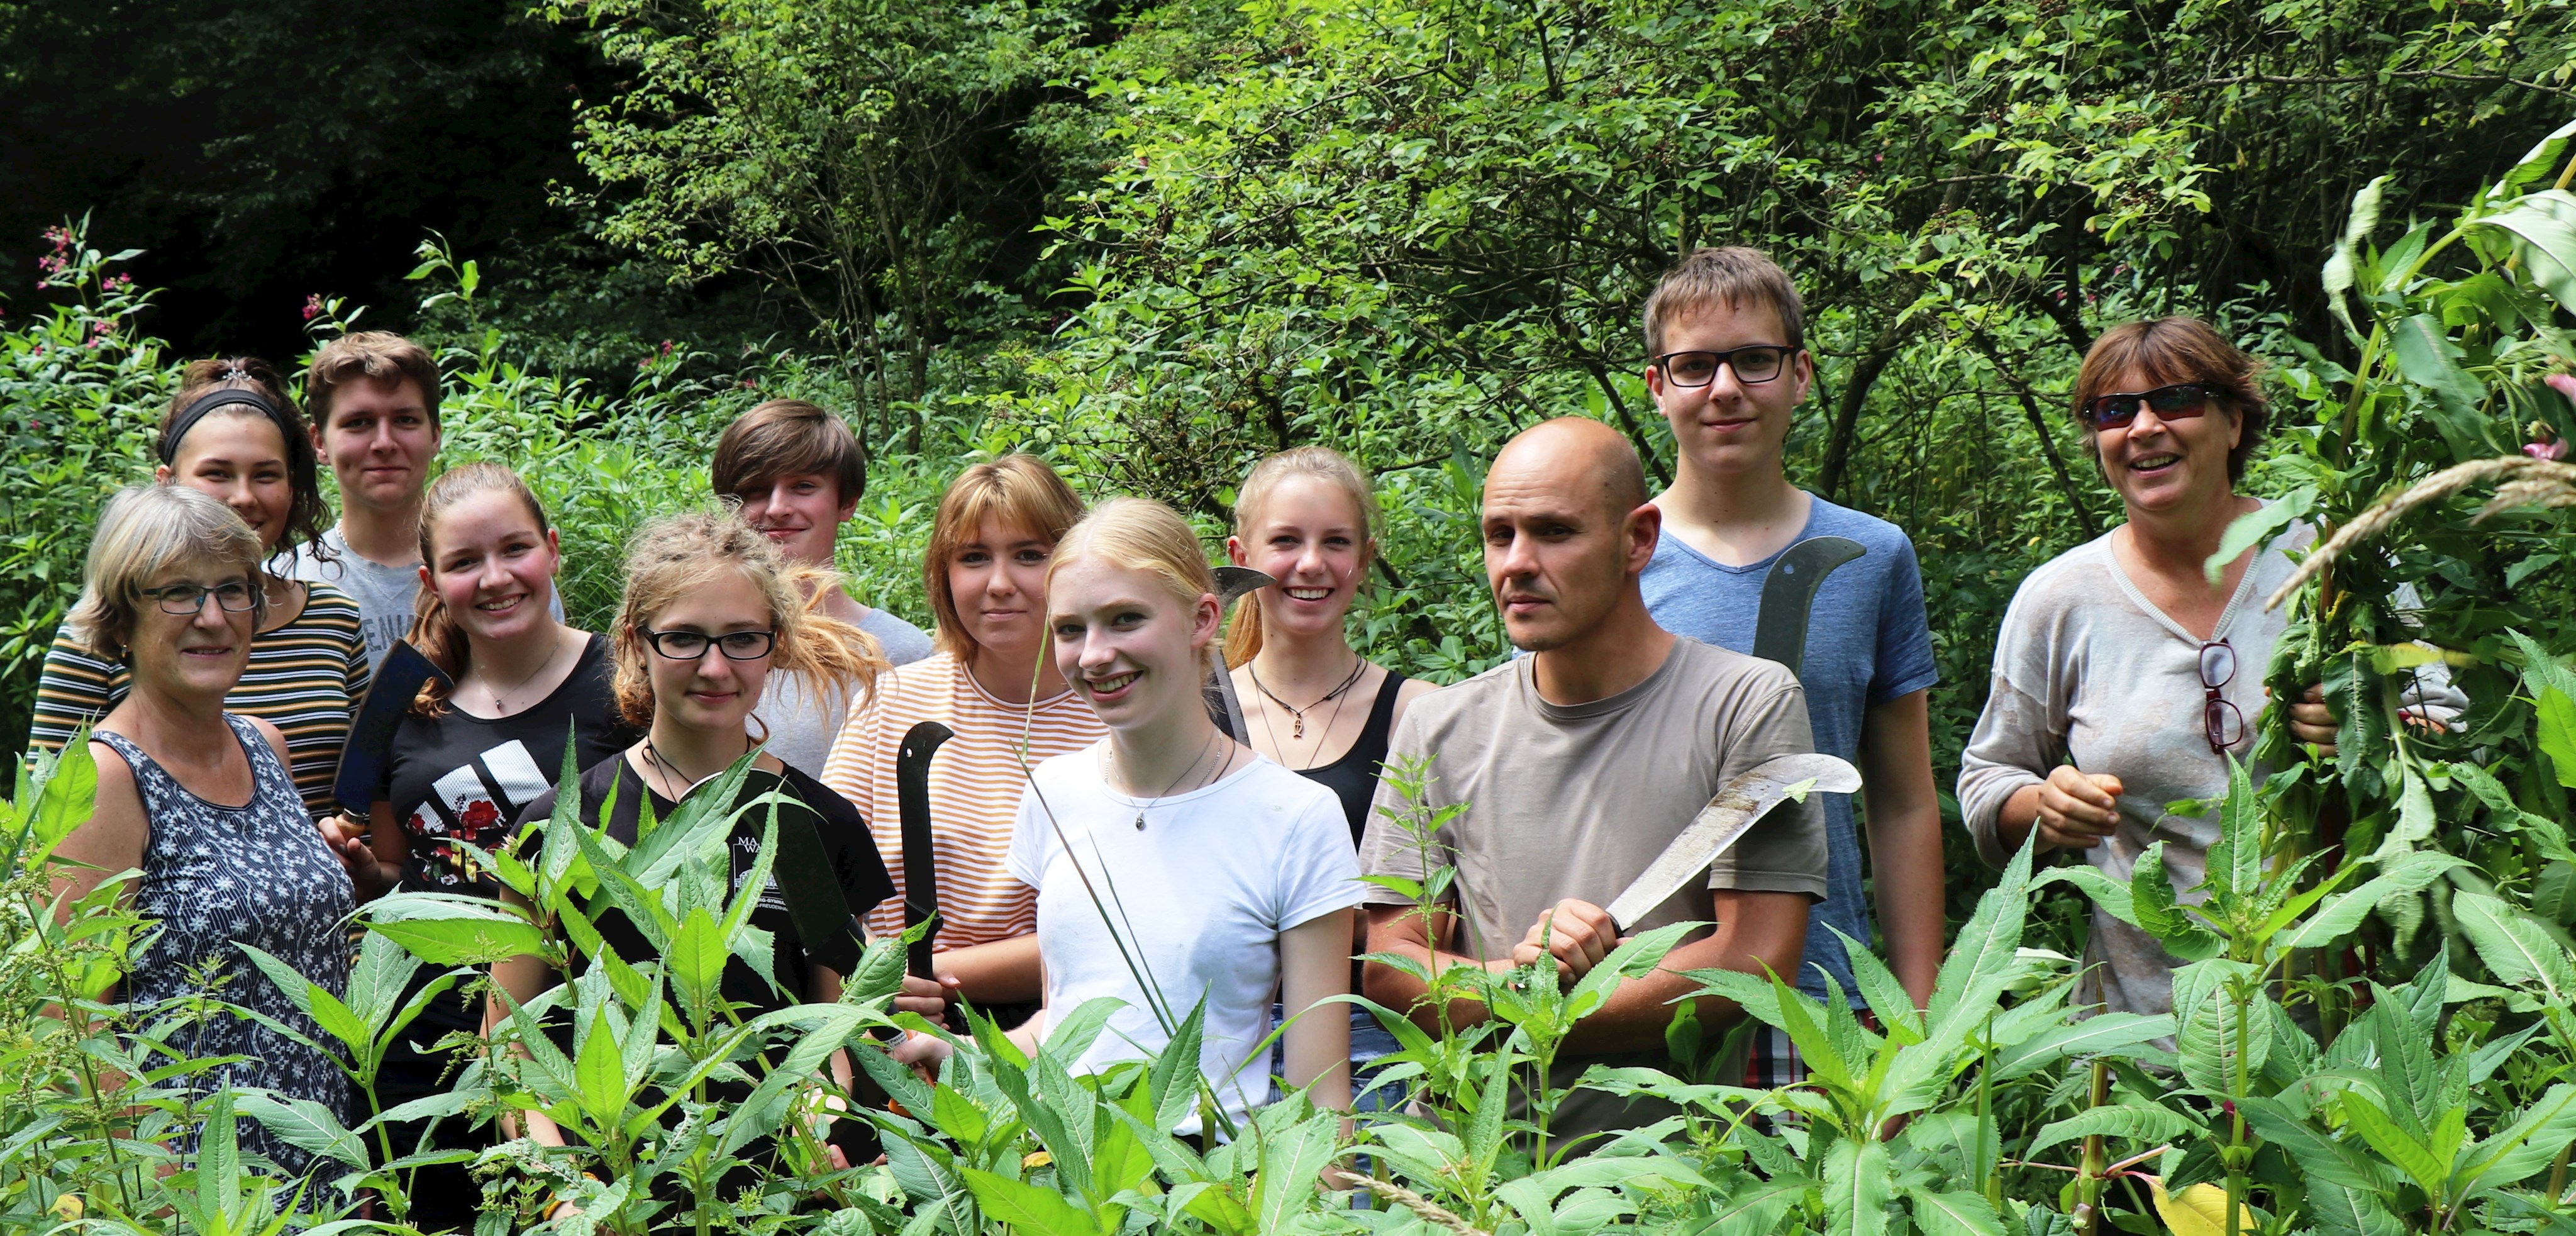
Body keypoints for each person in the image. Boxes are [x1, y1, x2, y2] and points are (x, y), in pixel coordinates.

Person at [1958, 318, 2462, 1017]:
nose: (2141, 427)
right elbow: (1987, 779)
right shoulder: (2060, 600)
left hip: (2349, 1024)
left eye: (2175, 401)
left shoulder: (2336, 561)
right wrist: (2043, 808)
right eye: (2113, 411)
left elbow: (2445, 728)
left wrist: (2369, 726)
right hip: (2142, 1045)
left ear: (2233, 422)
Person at [1358, 417, 1827, 1146]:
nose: (1516, 563)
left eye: (1553, 532)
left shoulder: (1744, 704)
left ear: (1638, 539)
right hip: (1471, 1180)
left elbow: (1755, 962)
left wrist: (1555, 1004)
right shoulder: (1439, 730)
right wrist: (1523, 989)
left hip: (1675, 1185)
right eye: (1498, 534)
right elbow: (1391, 967)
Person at [494, 511, 929, 1189]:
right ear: (637, 643)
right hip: (611, 1194)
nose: (716, 666)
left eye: (742, 639)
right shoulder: (559, 826)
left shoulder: (809, 822)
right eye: (685, 639)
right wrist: (562, 1198)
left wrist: (824, 1115)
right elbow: (511, 1042)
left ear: (774, 644)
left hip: (774, 1191)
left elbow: (834, 1030)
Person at [902, 498, 1357, 1135]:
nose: (1093, 655)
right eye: (1070, 629)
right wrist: (966, 1055)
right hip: (1063, 1175)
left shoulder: (1296, 817)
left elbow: (1320, 1101)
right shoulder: (1055, 794)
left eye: (1124, 620)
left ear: (1202, 618)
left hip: (1212, 1186)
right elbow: (1067, 1026)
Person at [1635, 247, 1945, 1086]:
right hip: (1642, 1000)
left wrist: (1917, 1015)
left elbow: (1906, 801)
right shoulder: (1607, 563)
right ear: (1656, 385)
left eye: (1755, 359)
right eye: (1694, 366)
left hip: (1828, 1001)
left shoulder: (1873, 557)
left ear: (1801, 374)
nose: (1725, 388)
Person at [342, 464, 634, 1232]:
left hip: (587, 1036)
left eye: (515, 550)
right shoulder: (404, 700)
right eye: (467, 562)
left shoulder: (628, 685)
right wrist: (359, 868)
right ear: (431, 577)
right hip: (425, 1045)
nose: (496, 577)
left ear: (553, 550)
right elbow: (398, 872)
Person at [49, 484, 353, 1176]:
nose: (213, 618)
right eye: (179, 593)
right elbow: (70, 1020)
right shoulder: (104, 778)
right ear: (121, 620)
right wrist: (168, 1197)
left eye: (232, 590)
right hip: (202, 1189)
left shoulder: (265, 748)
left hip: (326, 1162)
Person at [819, 455, 1100, 1025]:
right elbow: (825, 873)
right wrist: (875, 972)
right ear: (944, 575)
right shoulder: (891, 699)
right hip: (890, 1023)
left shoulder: (1116, 715)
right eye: (974, 557)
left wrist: (935, 975)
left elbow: (1121, 928)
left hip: (1062, 1028)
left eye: (1029, 554)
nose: (999, 584)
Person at [28, 358, 369, 820]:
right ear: (167, 483)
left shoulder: (335, 617)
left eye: (266, 474)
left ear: (291, 489)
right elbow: (46, 815)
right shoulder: (108, 625)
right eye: (218, 473)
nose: (243, 496)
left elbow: (364, 787)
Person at [1221, 447, 1433, 1100]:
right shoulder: (1197, 715)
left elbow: (1430, 917)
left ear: (1364, 560)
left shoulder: (1418, 714)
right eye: (1285, 541)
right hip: (1224, 1040)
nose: (1310, 564)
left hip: (1375, 1041)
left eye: (1334, 542)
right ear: (1240, 557)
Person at [713, 399, 934, 776]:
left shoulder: (902, 655)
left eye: (803, 486)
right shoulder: (698, 645)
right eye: (756, 490)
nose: (778, 508)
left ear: (847, 502)